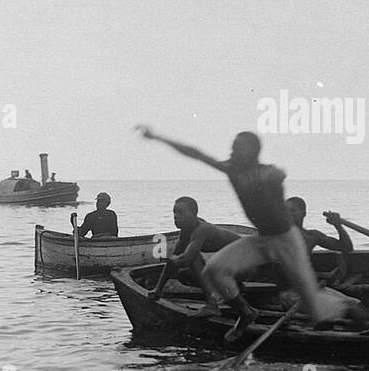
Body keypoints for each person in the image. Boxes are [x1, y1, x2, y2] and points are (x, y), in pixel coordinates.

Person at [136, 127, 349, 334]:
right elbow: (196, 154)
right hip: (261, 240)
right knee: (214, 269)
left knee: (316, 308)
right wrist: (158, 138)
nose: (232, 151)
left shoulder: (268, 172)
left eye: (238, 147)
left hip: (286, 240)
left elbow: (277, 180)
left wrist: (274, 180)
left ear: (253, 152)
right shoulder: (231, 168)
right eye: (233, 146)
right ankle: (246, 312)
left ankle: (342, 319)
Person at [148, 197, 242, 299]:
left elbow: (186, 260)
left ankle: (212, 304)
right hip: (232, 264)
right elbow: (173, 262)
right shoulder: (186, 231)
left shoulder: (202, 229)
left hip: (247, 263)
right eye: (174, 213)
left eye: (180, 212)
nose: (175, 216)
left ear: (193, 213)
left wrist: (170, 258)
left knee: (192, 259)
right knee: (183, 273)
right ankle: (238, 289)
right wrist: (158, 289)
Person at [286, 197, 354, 253]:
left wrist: (338, 226)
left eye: (292, 211)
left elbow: (347, 247)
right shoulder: (277, 235)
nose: (288, 214)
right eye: (285, 211)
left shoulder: (312, 236)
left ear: (304, 214)